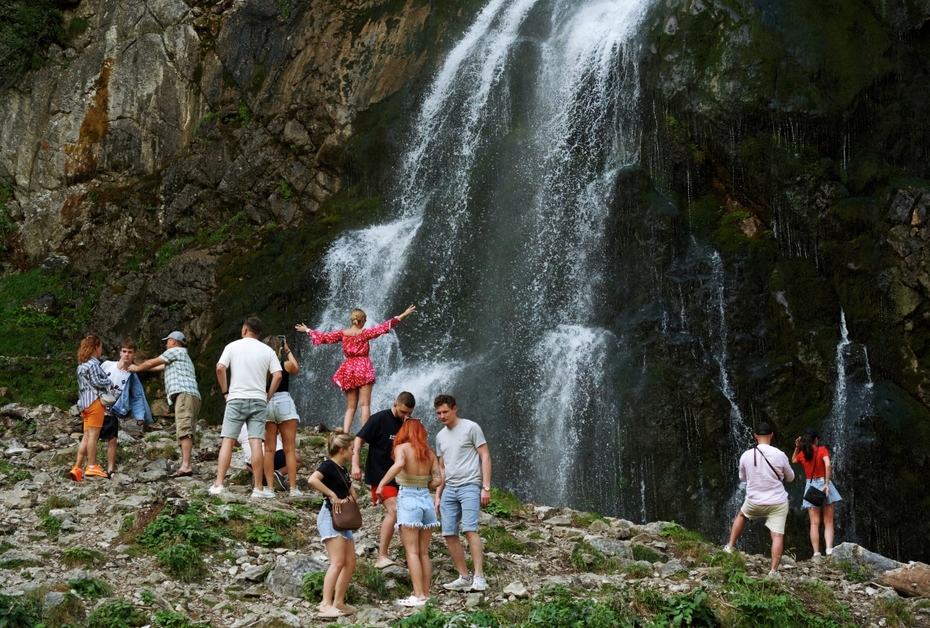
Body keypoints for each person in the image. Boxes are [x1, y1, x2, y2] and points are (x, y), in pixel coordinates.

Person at [295, 304, 416, 432]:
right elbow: (384, 327)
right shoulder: (364, 334)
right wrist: (403, 314)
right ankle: (365, 434)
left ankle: (345, 433)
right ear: (362, 320)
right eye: (365, 320)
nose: (365, 322)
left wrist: (308, 330)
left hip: (348, 369)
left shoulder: (342, 334)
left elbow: (324, 338)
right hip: (363, 367)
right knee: (365, 405)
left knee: (350, 407)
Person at [212, 317, 282, 497]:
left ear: (244, 330)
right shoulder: (267, 350)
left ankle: (219, 485)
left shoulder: (232, 346)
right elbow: (278, 375)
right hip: (258, 399)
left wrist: (225, 392)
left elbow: (220, 368)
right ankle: (259, 488)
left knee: (228, 440)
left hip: (236, 398)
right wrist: (268, 396)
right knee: (256, 442)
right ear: (259, 333)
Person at [376, 418, 442, 607]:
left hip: (409, 499)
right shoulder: (429, 453)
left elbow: (399, 465)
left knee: (411, 551)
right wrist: (424, 483)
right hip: (426, 502)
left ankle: (418, 595)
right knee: (423, 552)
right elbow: (437, 481)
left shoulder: (402, 448)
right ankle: (426, 594)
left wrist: (381, 484)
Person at [433, 394, 492, 592]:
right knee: (449, 533)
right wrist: (438, 495)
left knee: (469, 529)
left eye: (445, 412)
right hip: (449, 488)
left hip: (470, 485)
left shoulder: (471, 427)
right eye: (439, 413)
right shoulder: (440, 436)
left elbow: (485, 456)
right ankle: (464, 576)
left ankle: (479, 576)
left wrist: (486, 487)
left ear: (455, 409)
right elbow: (442, 468)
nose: (442, 416)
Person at [351, 391, 416, 569]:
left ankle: (411, 555)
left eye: (409, 413)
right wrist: (355, 465)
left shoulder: (409, 424)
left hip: (403, 478)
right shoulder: (379, 419)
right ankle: (382, 556)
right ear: (395, 405)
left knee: (407, 514)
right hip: (381, 476)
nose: (406, 416)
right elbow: (358, 441)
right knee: (394, 511)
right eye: (403, 412)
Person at [724, 422, 795, 579]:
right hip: (777, 502)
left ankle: (729, 547)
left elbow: (742, 478)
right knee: (777, 536)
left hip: (754, 501)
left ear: (755, 435)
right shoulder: (780, 455)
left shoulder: (746, 456)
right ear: (771, 435)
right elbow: (790, 477)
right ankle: (773, 571)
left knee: (741, 516)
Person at [130, 331, 202, 477]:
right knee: (187, 429)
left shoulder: (175, 351)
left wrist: (136, 369)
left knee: (184, 429)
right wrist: (138, 364)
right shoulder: (181, 356)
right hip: (192, 396)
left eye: (167, 341)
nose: (165, 344)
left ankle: (186, 465)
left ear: (174, 342)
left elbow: (152, 362)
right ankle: (185, 463)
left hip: (184, 395)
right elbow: (155, 367)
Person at [307, 429, 358, 619]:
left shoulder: (342, 469)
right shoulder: (328, 465)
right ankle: (325, 604)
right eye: (352, 449)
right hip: (330, 517)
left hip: (343, 518)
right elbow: (312, 479)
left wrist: (348, 496)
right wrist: (333, 495)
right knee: (337, 561)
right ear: (343, 450)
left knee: (350, 561)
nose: (354, 452)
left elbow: (352, 493)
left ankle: (339, 602)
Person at [100, 339, 151, 477]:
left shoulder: (131, 375)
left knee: (113, 439)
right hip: (98, 406)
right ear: (120, 352)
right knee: (90, 437)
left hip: (113, 409)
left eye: (130, 352)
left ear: (134, 355)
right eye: (124, 351)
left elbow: (136, 396)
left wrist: (140, 416)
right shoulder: (107, 365)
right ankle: (89, 465)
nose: (126, 355)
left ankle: (110, 469)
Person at [792, 427, 842, 558]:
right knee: (828, 521)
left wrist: (797, 447)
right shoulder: (822, 450)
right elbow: (828, 464)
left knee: (814, 522)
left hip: (811, 485)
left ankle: (816, 553)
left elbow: (793, 460)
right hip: (824, 484)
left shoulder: (803, 454)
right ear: (816, 439)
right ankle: (829, 550)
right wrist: (826, 483)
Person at [262, 335, 302, 495]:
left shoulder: (261, 368)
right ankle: (293, 488)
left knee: (270, 450)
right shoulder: (283, 365)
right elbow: (296, 368)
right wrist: (288, 350)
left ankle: (270, 488)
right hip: (284, 402)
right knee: (289, 450)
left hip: (266, 402)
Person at [71, 335, 114, 481]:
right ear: (96, 347)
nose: (101, 349)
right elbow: (97, 381)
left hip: (83, 404)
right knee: (94, 437)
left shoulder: (81, 366)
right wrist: (109, 381)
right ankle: (91, 466)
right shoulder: (93, 364)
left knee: (87, 436)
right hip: (95, 403)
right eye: (100, 346)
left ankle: (77, 467)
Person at [239, 424, 303, 488]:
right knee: (296, 459)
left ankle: (260, 475)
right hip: (273, 456)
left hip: (253, 463)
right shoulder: (264, 419)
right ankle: (278, 473)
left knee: (247, 465)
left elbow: (236, 443)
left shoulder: (238, 423)